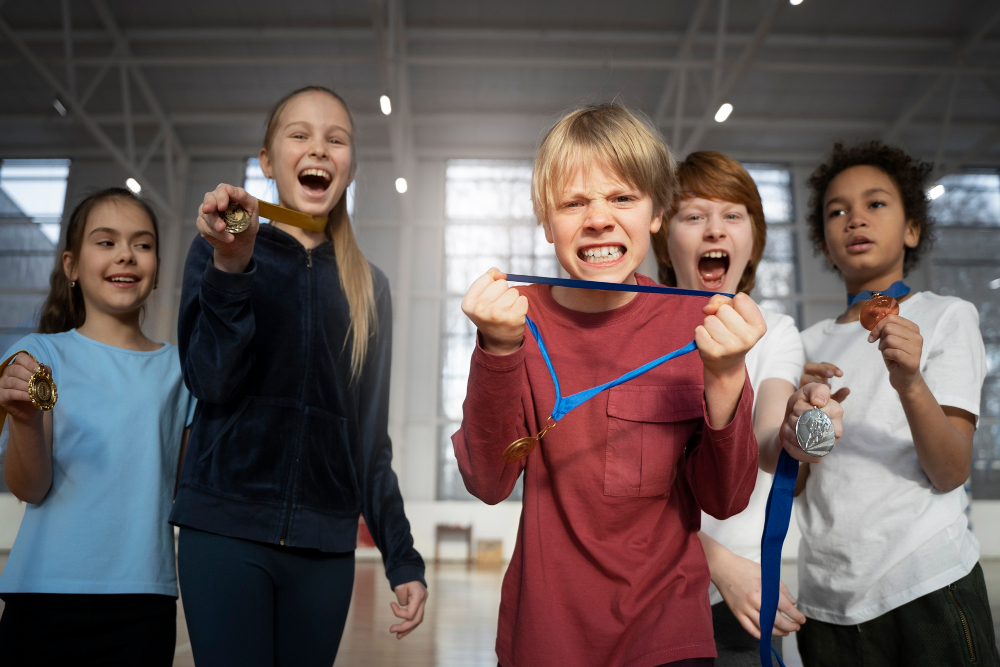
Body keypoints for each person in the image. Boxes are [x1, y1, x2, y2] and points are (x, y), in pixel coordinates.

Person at [453, 103, 776, 667]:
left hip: (668, 633)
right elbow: (487, 481)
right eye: (574, 202)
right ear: (546, 221)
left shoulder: (698, 325)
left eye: (622, 198)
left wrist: (726, 376)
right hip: (547, 637)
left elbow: (726, 499)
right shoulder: (514, 319)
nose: (599, 218)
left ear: (655, 213)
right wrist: (498, 350)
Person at [172, 85, 427, 667]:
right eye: (300, 134)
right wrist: (232, 269)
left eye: (336, 139)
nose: (319, 148)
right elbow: (209, 381)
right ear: (267, 160)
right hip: (225, 532)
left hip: (324, 546)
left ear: (350, 167)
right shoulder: (216, 250)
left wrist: (402, 556)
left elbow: (368, 441)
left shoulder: (371, 288)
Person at [794, 141, 1000, 666]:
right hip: (827, 600)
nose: (854, 218)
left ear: (912, 229)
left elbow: (951, 469)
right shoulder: (804, 344)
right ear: (824, 241)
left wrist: (909, 382)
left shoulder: (945, 316)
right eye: (836, 211)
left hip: (926, 582)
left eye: (875, 203)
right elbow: (796, 478)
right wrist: (801, 421)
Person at [651, 151, 837, 666]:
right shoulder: (638, 333)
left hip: (745, 595)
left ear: (752, 238)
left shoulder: (774, 332)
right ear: (663, 237)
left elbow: (770, 441)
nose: (715, 230)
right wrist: (715, 562)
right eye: (694, 216)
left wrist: (806, 425)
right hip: (651, 587)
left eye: (733, 215)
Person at [0, 187, 192, 666]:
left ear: (157, 268)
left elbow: (185, 491)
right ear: (70, 265)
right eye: (105, 242)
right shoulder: (37, 356)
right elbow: (30, 487)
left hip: (143, 601)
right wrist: (25, 422)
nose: (125, 253)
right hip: (42, 593)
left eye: (142, 244)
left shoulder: (182, 372)